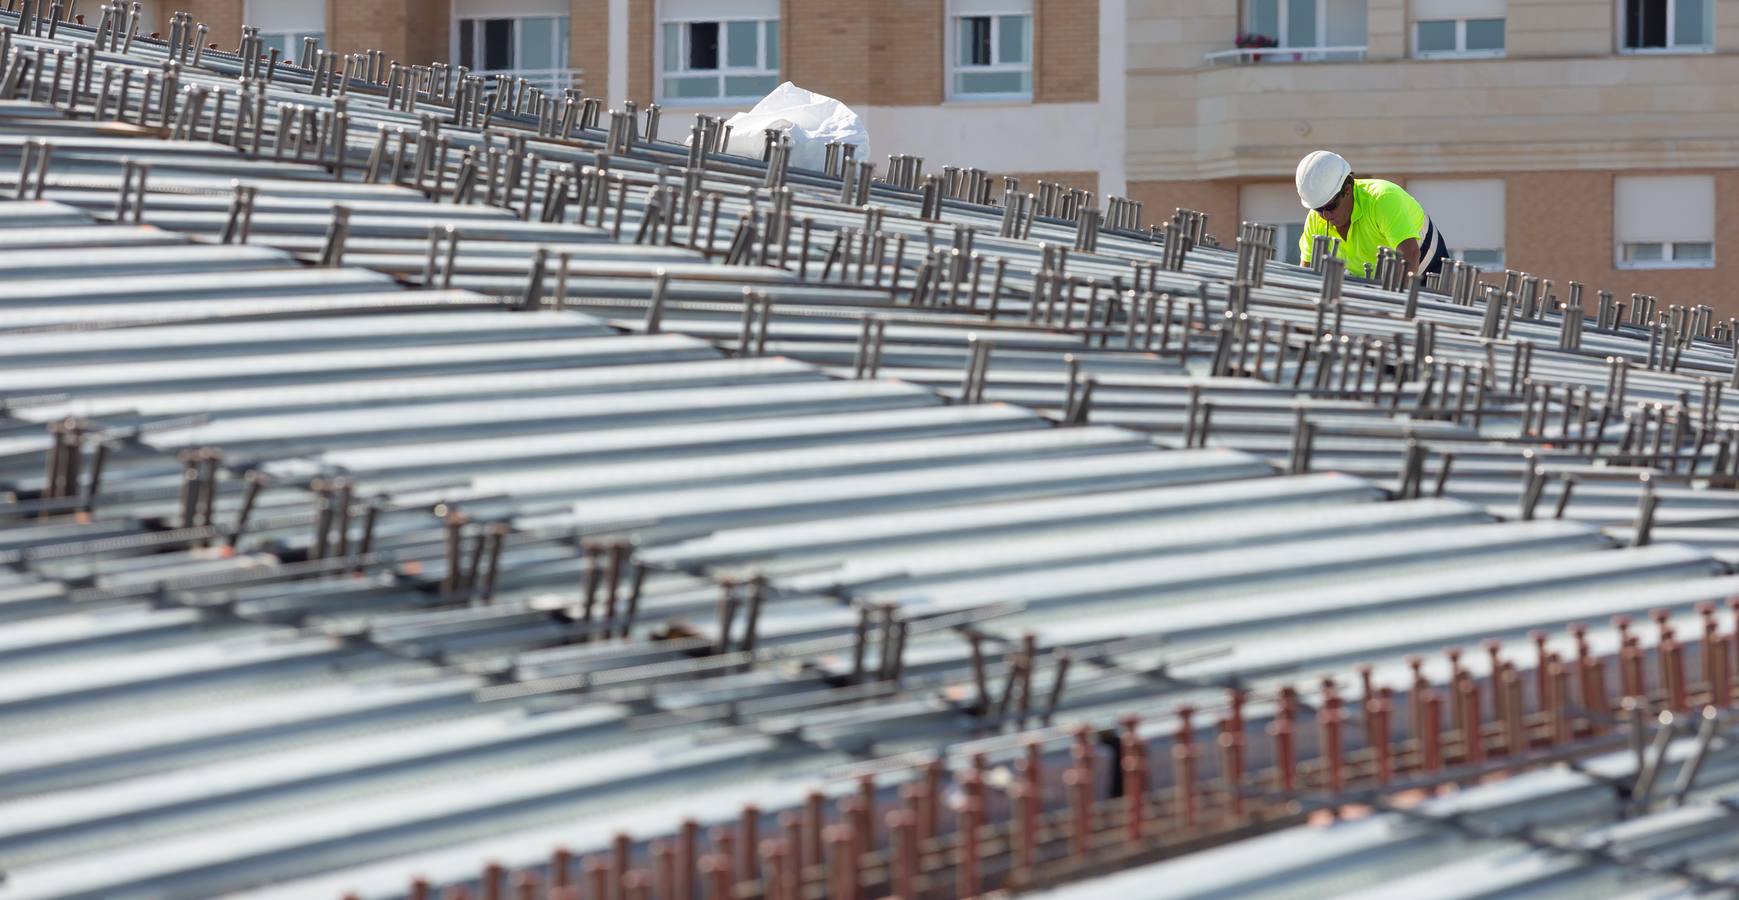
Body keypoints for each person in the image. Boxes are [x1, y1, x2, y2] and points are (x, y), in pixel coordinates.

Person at [1295, 150, 1449, 283]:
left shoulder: (1382, 199)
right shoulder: (1315, 219)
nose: (1325, 215)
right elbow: (1307, 270)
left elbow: (1410, 255)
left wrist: (1395, 306)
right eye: (1318, 209)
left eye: (1330, 207)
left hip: (1424, 268)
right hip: (1374, 277)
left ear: (1347, 190)